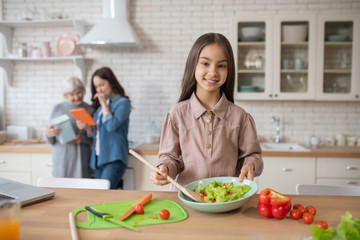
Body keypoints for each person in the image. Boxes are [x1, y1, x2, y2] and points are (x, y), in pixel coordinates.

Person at [150, 33, 263, 191]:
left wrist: (251, 164)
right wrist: (165, 169)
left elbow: (253, 156)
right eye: (205, 63)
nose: (213, 72)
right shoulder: (176, 115)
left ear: (229, 71)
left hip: (227, 200)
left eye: (221, 66)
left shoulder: (241, 118)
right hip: (186, 200)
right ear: (193, 65)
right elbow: (170, 158)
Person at [76, 67, 131, 189]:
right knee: (99, 196)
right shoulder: (101, 108)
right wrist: (87, 128)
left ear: (111, 82)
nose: (99, 89)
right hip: (98, 159)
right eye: (96, 87)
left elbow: (111, 126)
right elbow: (96, 133)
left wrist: (104, 104)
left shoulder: (123, 103)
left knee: (103, 194)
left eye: (102, 84)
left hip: (114, 158)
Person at [46, 76, 92, 178]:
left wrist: (83, 138)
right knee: (62, 188)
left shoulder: (89, 109)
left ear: (83, 91)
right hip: (62, 158)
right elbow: (50, 139)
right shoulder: (57, 108)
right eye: (72, 94)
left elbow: (94, 138)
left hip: (81, 157)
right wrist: (49, 134)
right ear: (66, 95)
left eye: (79, 92)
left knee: (81, 189)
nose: (76, 97)